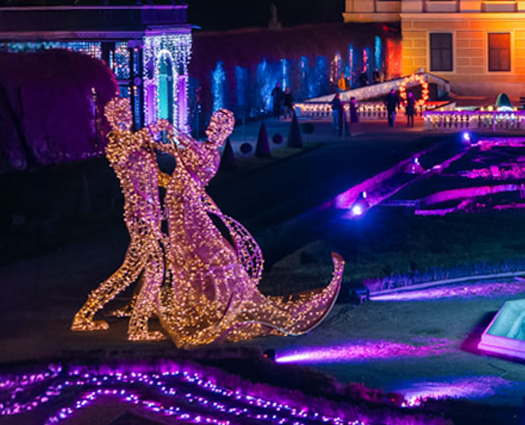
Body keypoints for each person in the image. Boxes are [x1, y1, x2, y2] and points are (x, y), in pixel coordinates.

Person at [154, 110, 344, 348]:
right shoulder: (195, 151)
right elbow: (177, 156)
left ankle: (216, 311)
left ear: (225, 133)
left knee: (208, 260)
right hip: (178, 216)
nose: (211, 129)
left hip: (189, 217)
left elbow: (189, 148)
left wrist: (170, 129)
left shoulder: (209, 154)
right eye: (212, 124)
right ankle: (197, 309)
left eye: (218, 127)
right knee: (187, 264)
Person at [71, 98, 169, 340]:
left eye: (126, 111)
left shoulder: (141, 145)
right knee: (153, 269)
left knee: (133, 271)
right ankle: (136, 327)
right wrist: (152, 130)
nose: (125, 116)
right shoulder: (116, 143)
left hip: (152, 214)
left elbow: (157, 177)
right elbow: (124, 150)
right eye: (119, 113)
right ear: (111, 118)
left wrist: (183, 184)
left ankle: (87, 314)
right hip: (139, 216)